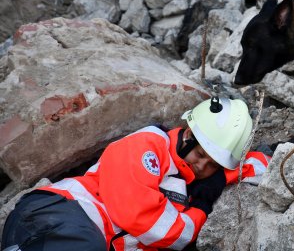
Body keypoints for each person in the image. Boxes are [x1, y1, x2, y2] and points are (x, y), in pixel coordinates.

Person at [1, 97, 270, 251]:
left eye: (213, 165)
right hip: (60, 214)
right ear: (188, 135)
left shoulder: (194, 175)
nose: (203, 167)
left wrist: (223, 177)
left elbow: (259, 164)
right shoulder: (149, 147)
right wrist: (200, 206)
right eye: (200, 156)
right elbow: (156, 227)